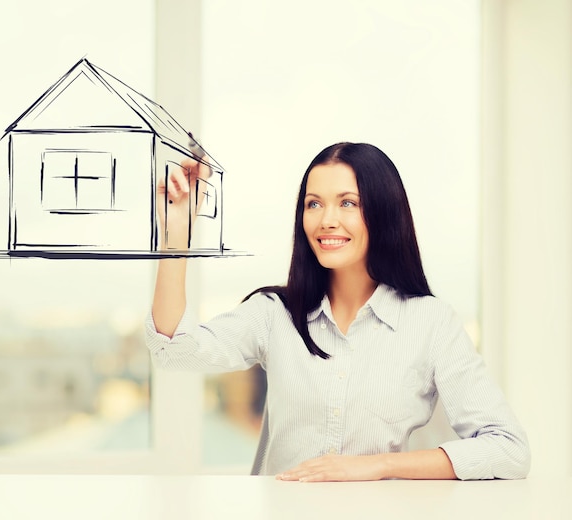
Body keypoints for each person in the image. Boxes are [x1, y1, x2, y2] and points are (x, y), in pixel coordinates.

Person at [146, 142, 530, 481]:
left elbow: (508, 450)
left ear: (382, 213)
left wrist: (378, 465)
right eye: (314, 204)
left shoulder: (430, 322)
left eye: (348, 202)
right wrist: (176, 231)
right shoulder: (275, 313)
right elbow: (172, 350)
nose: (326, 219)